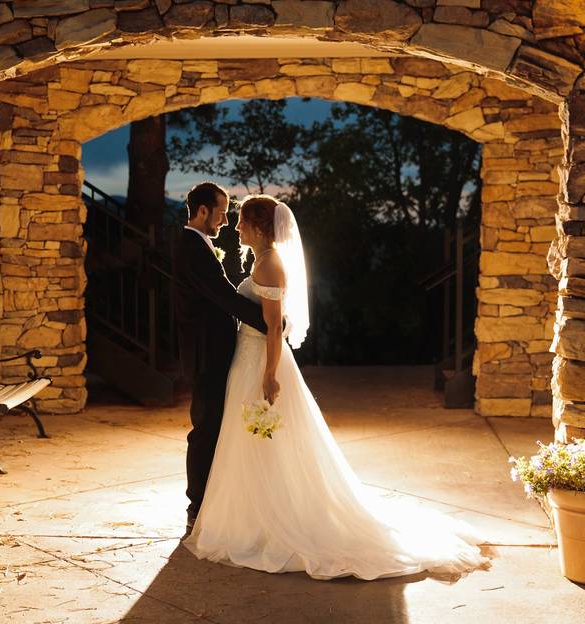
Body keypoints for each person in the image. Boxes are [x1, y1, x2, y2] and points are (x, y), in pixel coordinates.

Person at [183, 194, 489, 580]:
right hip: (247, 357)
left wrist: (271, 373)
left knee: (265, 439)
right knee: (251, 442)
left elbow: (274, 326)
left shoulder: (270, 263)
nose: (236, 226)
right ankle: (254, 514)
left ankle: (270, 521)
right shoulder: (261, 261)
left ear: (259, 227)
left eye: (242, 220)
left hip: (260, 360)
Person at [173, 182, 268, 530]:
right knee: (205, 428)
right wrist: (271, 322)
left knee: (213, 425)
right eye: (221, 212)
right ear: (202, 212)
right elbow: (223, 296)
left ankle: (209, 499)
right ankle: (197, 505)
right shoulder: (192, 249)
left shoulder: (197, 245)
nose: (226, 221)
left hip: (212, 350)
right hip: (205, 354)